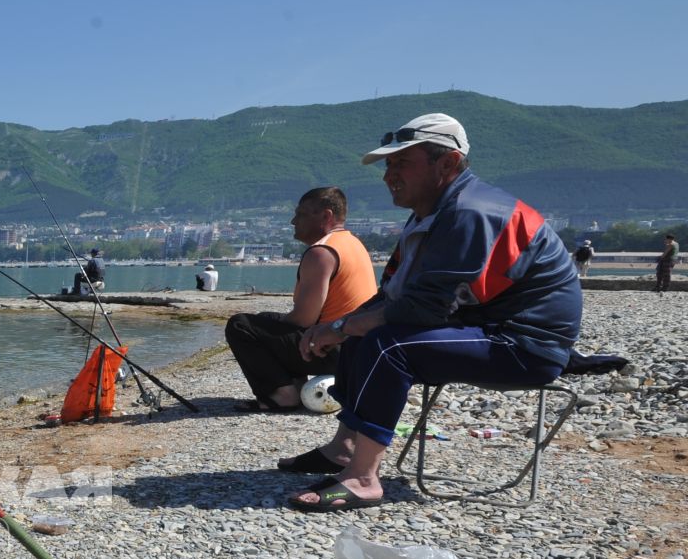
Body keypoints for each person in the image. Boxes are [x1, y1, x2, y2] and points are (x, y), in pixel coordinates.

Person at [278, 113, 582, 511]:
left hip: (525, 344)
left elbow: (426, 308)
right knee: (362, 334)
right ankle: (342, 450)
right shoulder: (433, 211)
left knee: (388, 347)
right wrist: (340, 326)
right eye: (389, 165)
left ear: (448, 164)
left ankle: (364, 478)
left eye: (402, 163)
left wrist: (342, 326)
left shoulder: (471, 213)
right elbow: (394, 294)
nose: (390, 175)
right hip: (485, 325)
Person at [222, 187, 377, 411]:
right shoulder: (352, 243)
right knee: (267, 320)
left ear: (326, 216)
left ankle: (282, 396)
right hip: (360, 349)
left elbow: (304, 319)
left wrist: (273, 326)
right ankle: (295, 384)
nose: (293, 221)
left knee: (241, 325)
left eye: (301, 214)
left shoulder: (321, 252)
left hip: (336, 349)